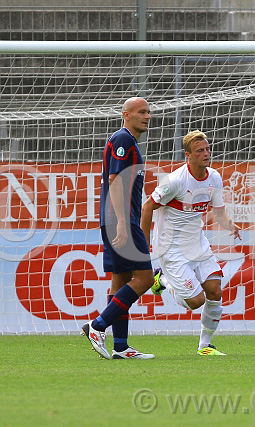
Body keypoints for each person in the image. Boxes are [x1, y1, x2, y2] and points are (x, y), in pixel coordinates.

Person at [140, 130, 241, 356]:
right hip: (171, 248)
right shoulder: (175, 181)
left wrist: (230, 225)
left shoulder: (214, 177)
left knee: (214, 291)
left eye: (207, 149)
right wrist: (144, 243)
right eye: (200, 151)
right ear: (188, 155)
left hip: (197, 244)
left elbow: (219, 213)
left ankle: (205, 346)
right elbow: (147, 207)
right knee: (196, 301)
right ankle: (162, 279)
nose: (206, 154)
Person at [82, 97, 155, 359]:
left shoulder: (128, 141)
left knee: (121, 278)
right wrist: (123, 222)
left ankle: (121, 347)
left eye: (148, 112)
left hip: (115, 219)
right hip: (120, 219)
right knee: (145, 278)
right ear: (126, 114)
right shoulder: (123, 139)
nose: (147, 116)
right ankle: (98, 325)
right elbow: (115, 180)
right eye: (141, 112)